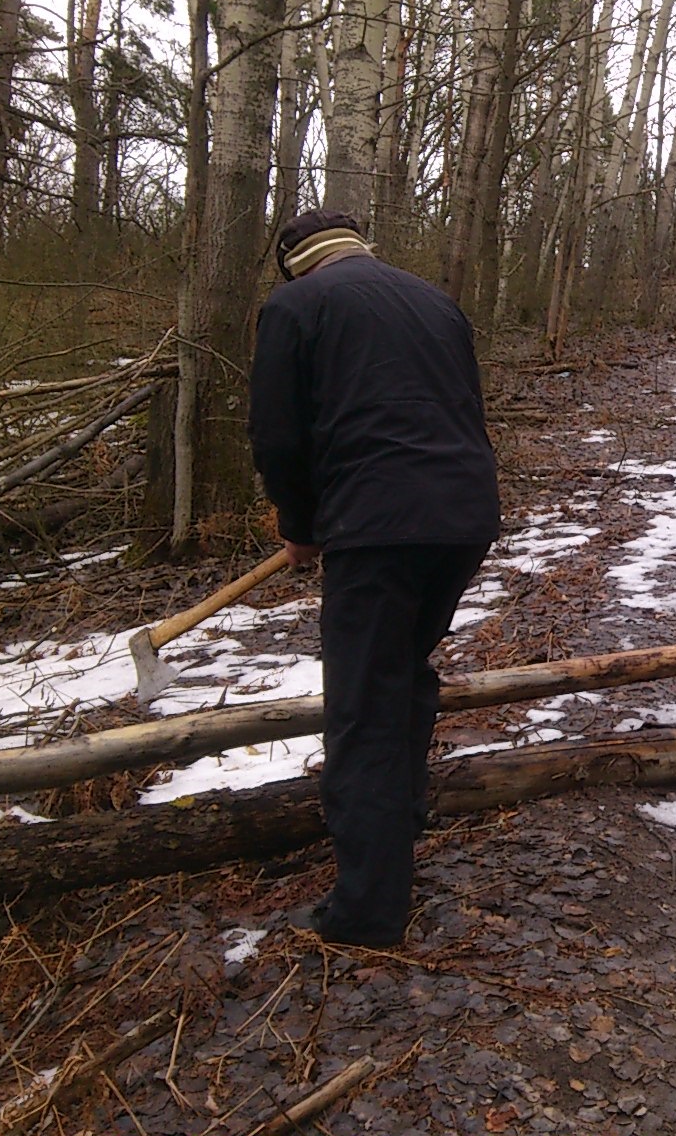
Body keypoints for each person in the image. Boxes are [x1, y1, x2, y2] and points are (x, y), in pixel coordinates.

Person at [248, 209, 500, 948]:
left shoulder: (294, 306)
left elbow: (279, 433)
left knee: (362, 708)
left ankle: (366, 911)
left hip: (378, 524)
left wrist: (299, 522)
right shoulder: (434, 301)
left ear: (296, 264)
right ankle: (398, 826)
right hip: (463, 517)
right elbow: (463, 410)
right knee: (402, 679)